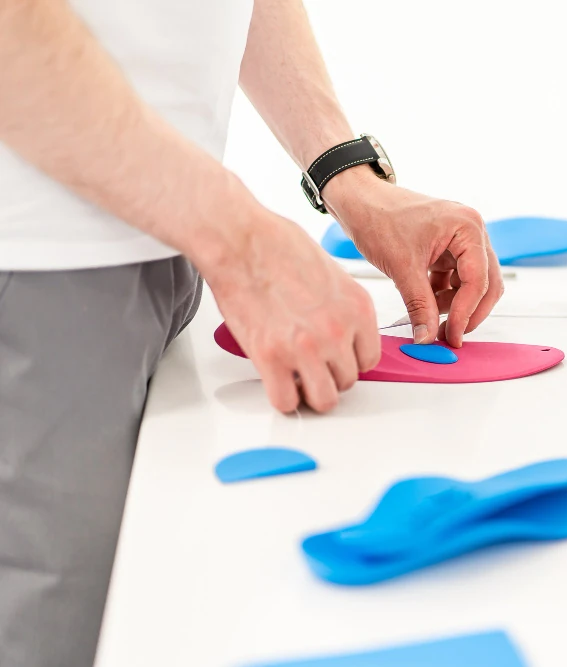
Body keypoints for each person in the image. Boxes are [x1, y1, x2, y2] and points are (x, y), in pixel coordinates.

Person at [0, 1, 504, 665]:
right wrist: (240, 237)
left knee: (163, 624)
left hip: (164, 236)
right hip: (40, 269)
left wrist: (344, 171)